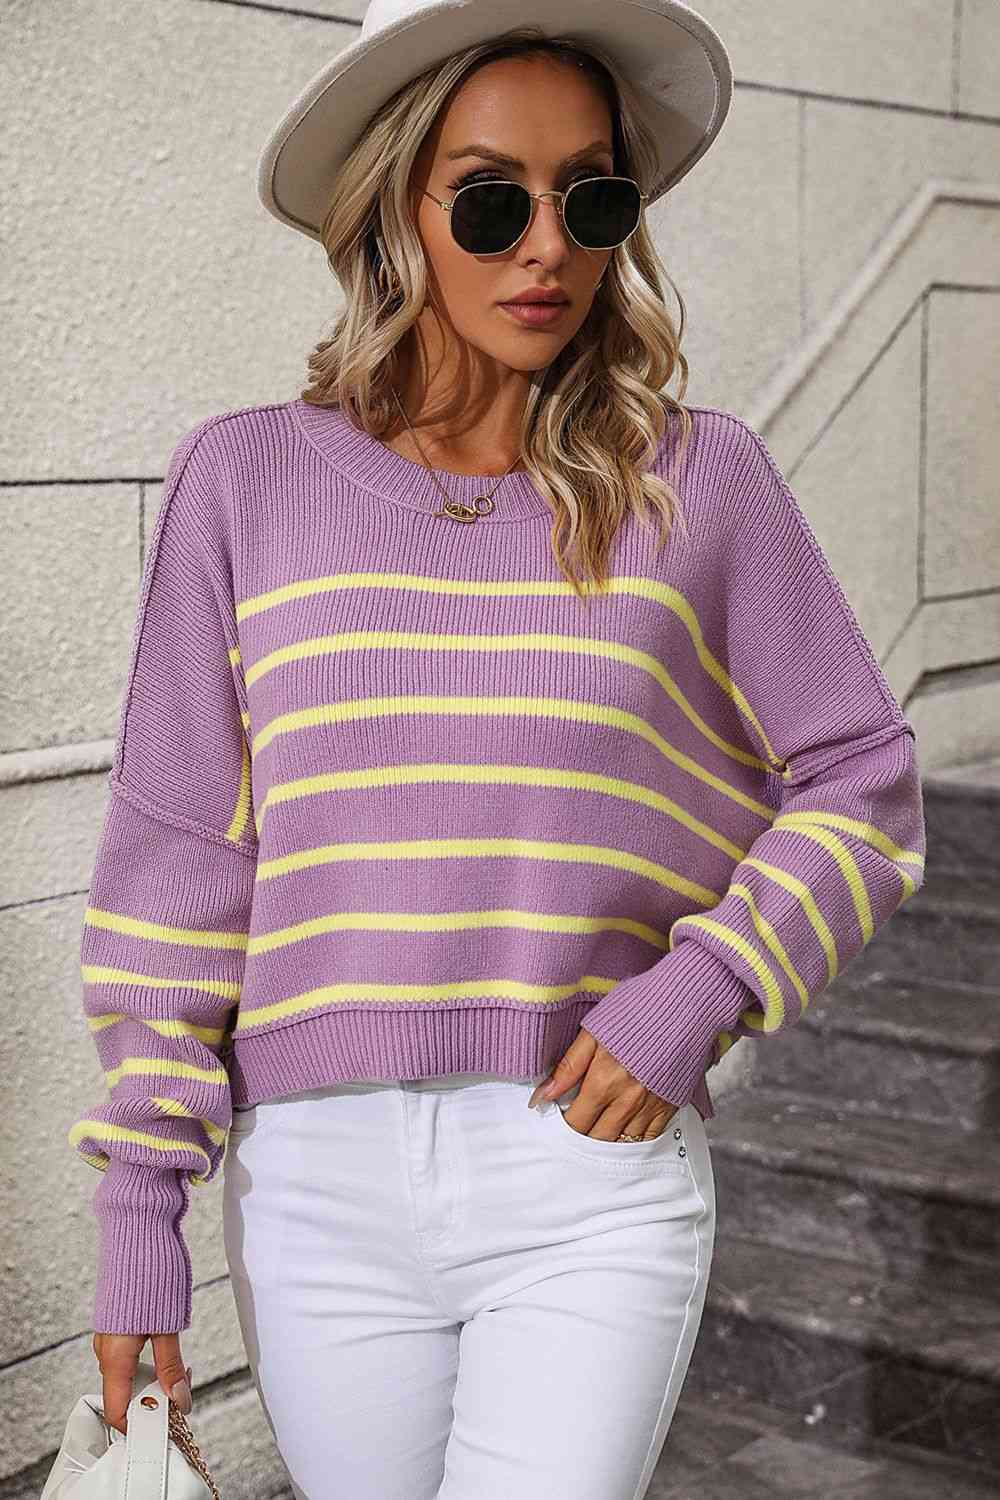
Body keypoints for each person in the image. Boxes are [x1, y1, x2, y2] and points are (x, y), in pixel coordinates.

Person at [71, 3, 926, 1496]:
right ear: (394, 212)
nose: (546, 248)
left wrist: (704, 989)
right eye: (488, 199)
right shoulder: (241, 481)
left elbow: (865, 776)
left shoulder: (698, 482)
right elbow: (177, 864)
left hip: (582, 1164)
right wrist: (139, 1214)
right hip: (313, 1187)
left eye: (590, 198)